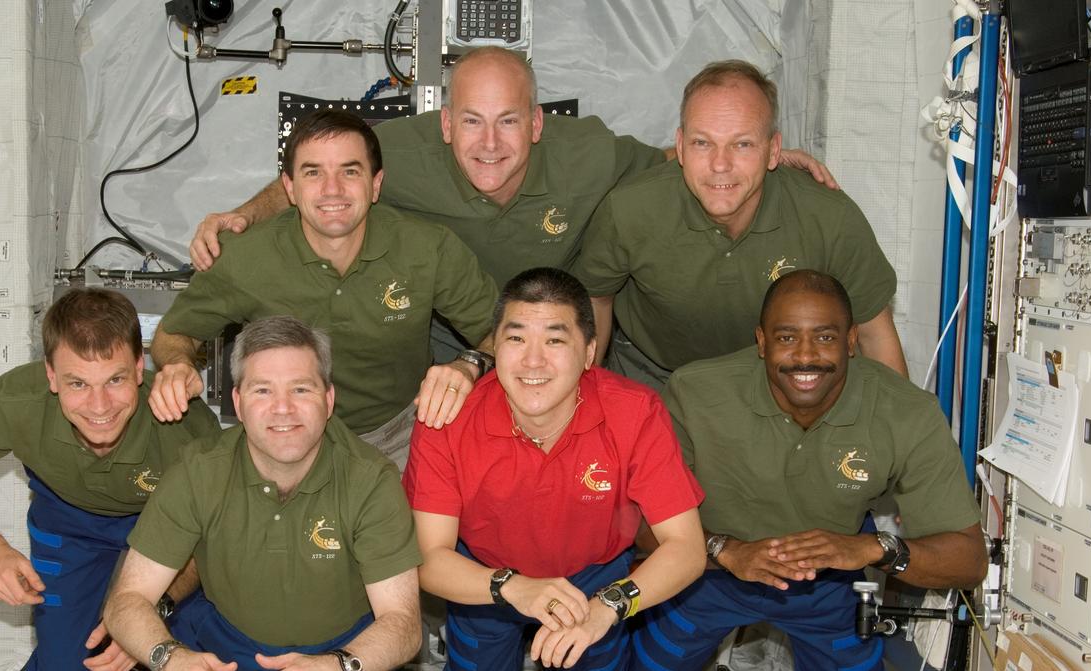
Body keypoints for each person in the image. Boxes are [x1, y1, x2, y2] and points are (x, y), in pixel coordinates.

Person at [188, 49, 836, 363]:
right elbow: (320, 177)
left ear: (537, 123)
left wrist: (762, 160)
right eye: (472, 121)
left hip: (554, 342)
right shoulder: (401, 152)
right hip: (445, 344)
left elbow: (677, 160)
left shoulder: (587, 153)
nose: (490, 144)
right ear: (446, 125)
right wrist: (240, 216)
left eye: (508, 121)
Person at [623, 270, 986, 671]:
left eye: (826, 337)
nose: (806, 356)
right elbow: (638, 528)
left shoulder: (905, 411)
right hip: (707, 573)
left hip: (826, 580)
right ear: (761, 342)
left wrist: (872, 548)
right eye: (787, 337)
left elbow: (969, 559)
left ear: (852, 341)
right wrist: (725, 551)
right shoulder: (695, 393)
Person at [104, 316, 426, 671]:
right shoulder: (198, 472)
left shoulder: (369, 479)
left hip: (346, 648)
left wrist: (335, 669)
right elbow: (125, 601)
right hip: (241, 648)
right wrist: (169, 660)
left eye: (301, 389)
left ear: (328, 399)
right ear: (237, 402)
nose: (282, 409)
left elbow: (403, 624)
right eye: (262, 391)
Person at [402, 268, 705, 671]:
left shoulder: (635, 411)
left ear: (589, 352)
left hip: (594, 575)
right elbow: (429, 558)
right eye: (516, 338)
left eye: (555, 340)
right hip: (487, 571)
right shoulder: (447, 420)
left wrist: (607, 607)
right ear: (495, 346)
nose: (533, 361)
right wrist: (512, 588)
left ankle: (599, 652)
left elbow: (687, 548)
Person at [0, 289, 219, 671]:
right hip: (69, 521)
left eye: (115, 380)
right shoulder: (17, 401)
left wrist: (147, 616)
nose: (99, 407)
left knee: (225, 646)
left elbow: (212, 531)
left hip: (168, 529)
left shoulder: (186, 425)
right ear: (51, 375)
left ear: (140, 368)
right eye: (78, 383)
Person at [149, 110, 498, 469]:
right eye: (313, 172)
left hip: (400, 435)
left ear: (376, 184)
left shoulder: (428, 249)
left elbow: (502, 332)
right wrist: (177, 365)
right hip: (284, 433)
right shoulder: (244, 259)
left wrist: (468, 365)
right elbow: (174, 334)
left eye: (350, 171)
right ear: (290, 188)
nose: (332, 189)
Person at [574, 60, 908, 390]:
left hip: (777, 382)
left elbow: (874, 335)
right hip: (654, 373)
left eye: (742, 144)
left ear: (773, 151)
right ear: (681, 146)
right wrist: (584, 400)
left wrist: (902, 422)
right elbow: (597, 300)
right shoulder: (629, 210)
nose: (720, 164)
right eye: (702, 142)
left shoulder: (828, 217)